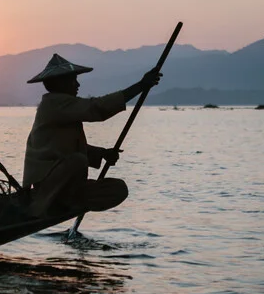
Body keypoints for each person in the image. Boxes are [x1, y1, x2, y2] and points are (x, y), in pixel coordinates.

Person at [23, 53, 162, 218]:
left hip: (64, 183)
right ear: (60, 83)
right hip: (48, 184)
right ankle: (52, 201)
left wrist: (102, 153)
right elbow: (96, 108)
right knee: (78, 160)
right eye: (73, 80)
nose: (77, 84)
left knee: (118, 188)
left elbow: (64, 147)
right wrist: (140, 86)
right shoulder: (54, 104)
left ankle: (69, 199)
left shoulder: (63, 106)